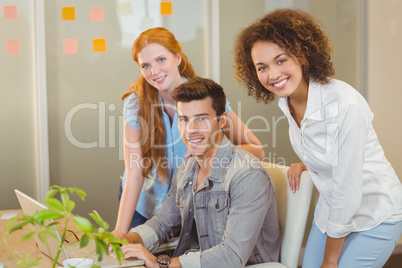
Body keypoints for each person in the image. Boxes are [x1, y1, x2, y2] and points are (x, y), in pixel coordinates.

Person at [233, 8, 402, 268]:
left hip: (374, 214)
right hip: (331, 213)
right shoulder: (287, 102)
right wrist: (309, 164)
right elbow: (328, 154)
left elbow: (348, 189)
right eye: (262, 67)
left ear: (301, 54)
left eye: (281, 60)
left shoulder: (345, 105)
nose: (273, 75)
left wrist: (330, 260)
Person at [110, 77, 280, 268]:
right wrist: (128, 239)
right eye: (184, 119)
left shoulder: (248, 175)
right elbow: (163, 223)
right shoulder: (186, 169)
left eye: (201, 118)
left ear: (222, 121)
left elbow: (232, 257)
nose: (191, 130)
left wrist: (162, 263)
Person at [114, 27, 265, 239]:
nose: (154, 71)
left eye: (161, 60)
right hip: (142, 205)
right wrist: (120, 231)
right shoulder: (135, 104)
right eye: (145, 66)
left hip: (189, 206)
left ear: (177, 57)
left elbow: (256, 149)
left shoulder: (205, 98)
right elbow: (134, 173)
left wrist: (212, 153)